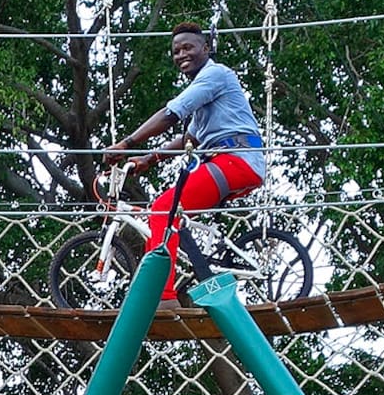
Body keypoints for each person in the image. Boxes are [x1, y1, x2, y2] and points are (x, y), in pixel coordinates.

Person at [104, 24, 267, 301]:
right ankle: (181, 279)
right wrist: (150, 158)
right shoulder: (206, 91)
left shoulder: (215, 75)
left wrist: (127, 143)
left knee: (163, 210)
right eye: (176, 51)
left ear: (206, 48)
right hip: (226, 162)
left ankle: (162, 297)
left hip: (234, 160)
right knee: (169, 216)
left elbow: (171, 113)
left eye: (188, 47)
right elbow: (189, 138)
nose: (181, 55)